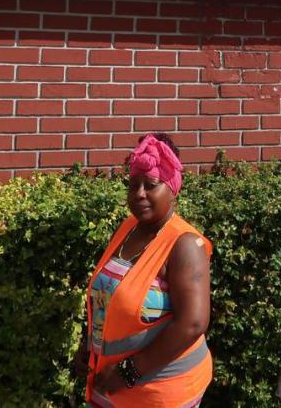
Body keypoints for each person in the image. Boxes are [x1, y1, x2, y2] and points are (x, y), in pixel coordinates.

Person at [78, 133, 212, 407]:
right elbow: (108, 296)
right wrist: (88, 348)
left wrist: (128, 373)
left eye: (150, 185)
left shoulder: (184, 244)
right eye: (133, 184)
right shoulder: (129, 228)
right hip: (110, 383)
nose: (139, 193)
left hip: (160, 392)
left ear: (172, 189)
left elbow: (193, 323)